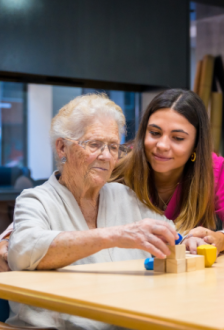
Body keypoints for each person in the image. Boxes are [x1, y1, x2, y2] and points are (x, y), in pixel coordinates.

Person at [7, 94, 178, 329]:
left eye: (113, 147)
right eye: (95, 144)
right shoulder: (36, 200)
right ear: (62, 148)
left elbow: (170, 235)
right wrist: (114, 236)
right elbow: (24, 250)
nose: (107, 156)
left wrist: (191, 241)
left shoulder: (124, 196)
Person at [111, 89, 224, 254]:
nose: (162, 145)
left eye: (178, 138)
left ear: (196, 145)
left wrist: (221, 240)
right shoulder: (116, 164)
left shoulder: (210, 169)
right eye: (154, 133)